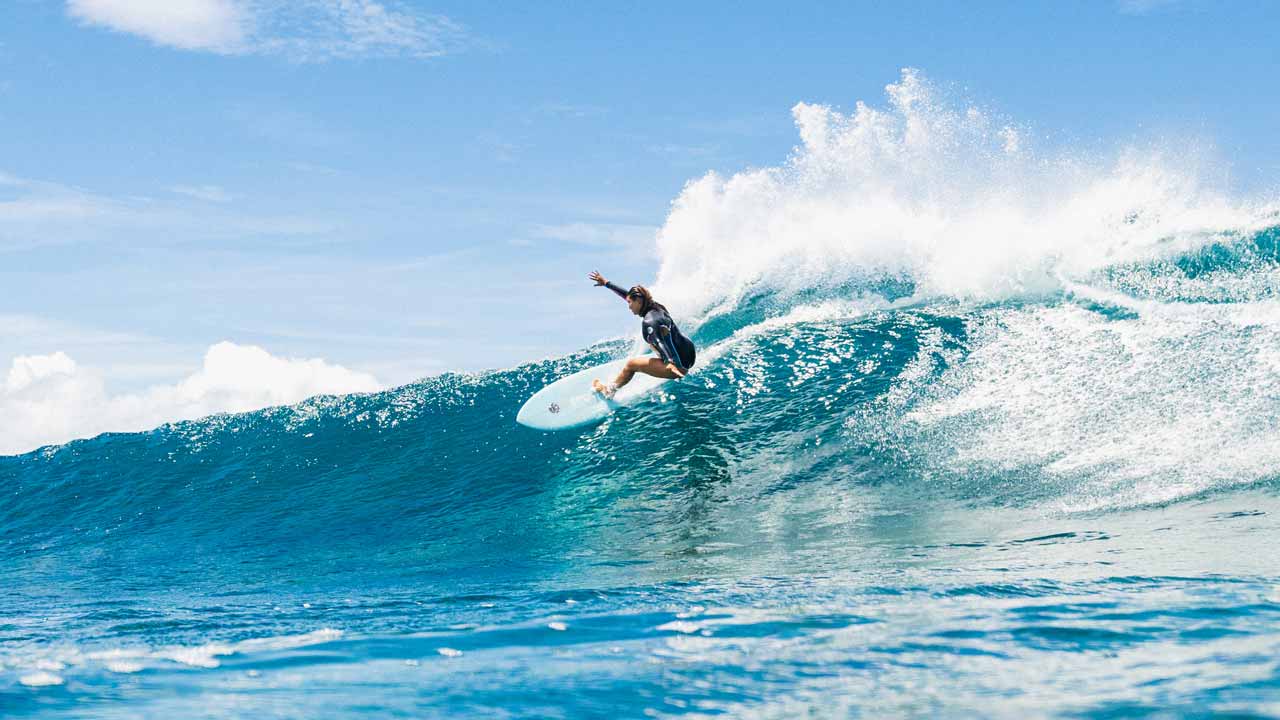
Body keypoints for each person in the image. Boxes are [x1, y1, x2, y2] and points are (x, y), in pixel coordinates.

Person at [588, 271, 696, 398]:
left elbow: (660, 342)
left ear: (638, 301)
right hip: (689, 354)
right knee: (658, 339)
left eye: (630, 303)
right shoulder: (656, 307)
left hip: (678, 365)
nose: (629, 306)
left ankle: (609, 390)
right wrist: (607, 283)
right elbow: (626, 295)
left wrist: (671, 363)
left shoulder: (649, 321)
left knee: (631, 364)